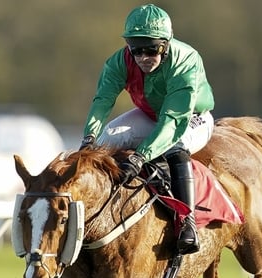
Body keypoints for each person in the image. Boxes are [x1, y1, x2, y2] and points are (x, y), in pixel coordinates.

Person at [80, 4, 215, 255]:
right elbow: (103, 101)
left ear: (166, 44)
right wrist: (89, 138)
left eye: (151, 49)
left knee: (175, 146)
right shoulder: (120, 61)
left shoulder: (185, 61)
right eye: (136, 49)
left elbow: (173, 122)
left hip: (191, 118)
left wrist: (140, 156)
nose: (143, 57)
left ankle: (187, 222)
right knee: (106, 139)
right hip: (150, 114)